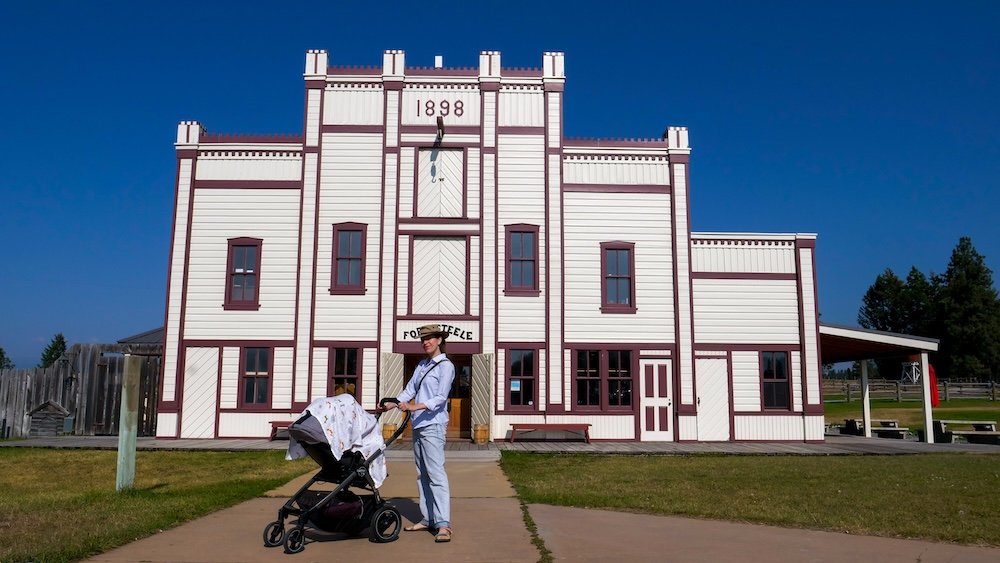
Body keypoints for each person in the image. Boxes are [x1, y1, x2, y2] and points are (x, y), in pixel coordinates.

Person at [384, 324, 455, 543]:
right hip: (419, 425)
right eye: (423, 339)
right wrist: (394, 402)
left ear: (439, 340)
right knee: (422, 474)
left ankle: (443, 525)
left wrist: (415, 407)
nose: (426, 342)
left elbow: (441, 397)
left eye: (430, 338)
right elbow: (410, 389)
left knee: (436, 474)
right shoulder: (422, 365)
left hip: (433, 425)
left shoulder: (446, 366)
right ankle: (428, 519)